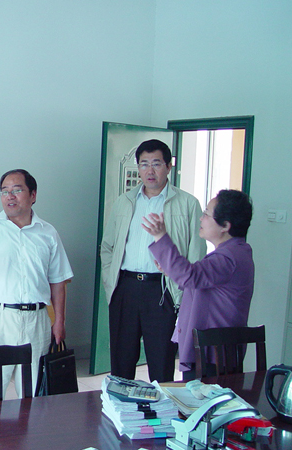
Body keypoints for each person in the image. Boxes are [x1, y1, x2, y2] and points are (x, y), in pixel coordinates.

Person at [100, 139, 206, 383]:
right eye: (144, 164)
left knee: (161, 361)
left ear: (168, 167)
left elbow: (196, 254)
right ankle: (122, 404)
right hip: (125, 287)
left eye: (156, 164)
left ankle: (161, 405)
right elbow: (107, 247)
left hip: (162, 289)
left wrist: (182, 292)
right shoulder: (125, 201)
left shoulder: (188, 204)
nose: (150, 170)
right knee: (121, 360)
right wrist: (110, 281)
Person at [0, 169, 73, 397]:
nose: (9, 196)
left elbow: (58, 281)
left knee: (34, 391)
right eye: (4, 191)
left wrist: (59, 321)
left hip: (36, 319)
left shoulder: (48, 233)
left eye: (17, 190)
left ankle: (29, 423)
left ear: (33, 195)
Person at [142, 189, 255, 380]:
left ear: (225, 226)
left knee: (196, 398)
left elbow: (191, 276)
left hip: (212, 355)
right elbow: (200, 279)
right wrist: (171, 270)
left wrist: (160, 236)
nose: (201, 219)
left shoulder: (228, 257)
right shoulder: (237, 251)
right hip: (215, 351)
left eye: (207, 214)